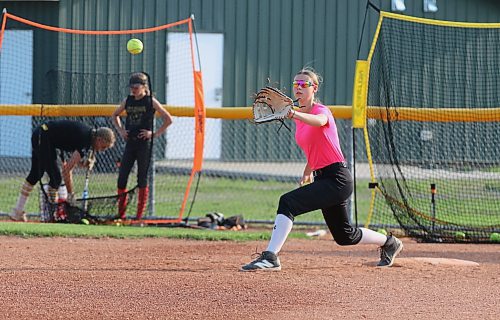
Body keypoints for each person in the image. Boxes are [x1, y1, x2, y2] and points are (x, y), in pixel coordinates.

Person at [241, 68, 403, 271]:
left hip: (337, 179)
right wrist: (308, 170)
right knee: (345, 236)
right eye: (295, 84)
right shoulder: (300, 118)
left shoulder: (320, 111)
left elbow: (320, 122)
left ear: (314, 88)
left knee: (288, 202)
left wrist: (294, 113)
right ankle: (389, 243)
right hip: (324, 178)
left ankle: (270, 257)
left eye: (303, 84)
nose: (298, 88)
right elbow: (315, 146)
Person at [10, 120, 116, 222]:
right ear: (99, 139)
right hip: (44, 137)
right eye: (103, 147)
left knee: (35, 175)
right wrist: (70, 195)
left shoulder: (88, 135)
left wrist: (81, 164)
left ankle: (18, 211)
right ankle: (51, 214)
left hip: (44, 136)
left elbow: (69, 163)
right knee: (55, 178)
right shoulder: (86, 140)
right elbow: (66, 170)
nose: (102, 150)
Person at [111, 72, 172, 220]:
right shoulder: (128, 100)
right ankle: (121, 215)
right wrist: (120, 131)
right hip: (130, 142)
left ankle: (138, 217)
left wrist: (154, 134)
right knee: (122, 177)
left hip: (144, 144)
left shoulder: (150, 101)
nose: (133, 90)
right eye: (131, 87)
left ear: (144, 87)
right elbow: (114, 115)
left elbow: (168, 119)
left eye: (136, 87)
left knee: (142, 179)